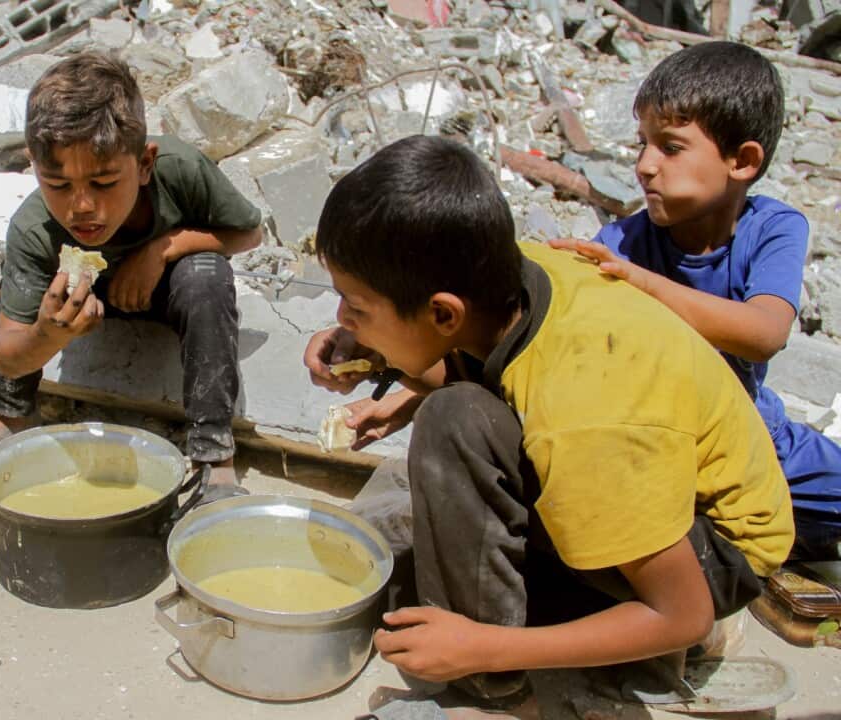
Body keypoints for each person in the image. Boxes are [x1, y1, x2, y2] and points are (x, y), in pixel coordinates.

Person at [303, 135, 793, 702]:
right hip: (641, 478)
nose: (342, 318)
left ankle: (494, 691)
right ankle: (588, 615)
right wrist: (377, 353)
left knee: (452, 421)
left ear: (442, 312)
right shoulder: (510, 273)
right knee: (455, 428)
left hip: (715, 550)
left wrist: (482, 646)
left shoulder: (583, 415)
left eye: (357, 307)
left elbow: (682, 614)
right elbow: (480, 367)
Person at [552, 41, 840, 560]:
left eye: (671, 147)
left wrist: (643, 285)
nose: (645, 165)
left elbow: (764, 334)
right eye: (642, 144)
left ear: (742, 161)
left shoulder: (772, 228)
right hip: (660, 444)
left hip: (752, 435)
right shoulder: (622, 243)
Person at [0, 53, 262, 492]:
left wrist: (162, 250)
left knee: (206, 273)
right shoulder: (35, 225)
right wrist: (47, 335)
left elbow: (248, 233)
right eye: (58, 185)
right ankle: (9, 415)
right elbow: (7, 355)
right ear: (34, 167)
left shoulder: (179, 170)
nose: (81, 206)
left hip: (165, 294)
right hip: (83, 306)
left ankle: (213, 454)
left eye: (104, 183)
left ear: (145, 163)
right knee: (24, 280)